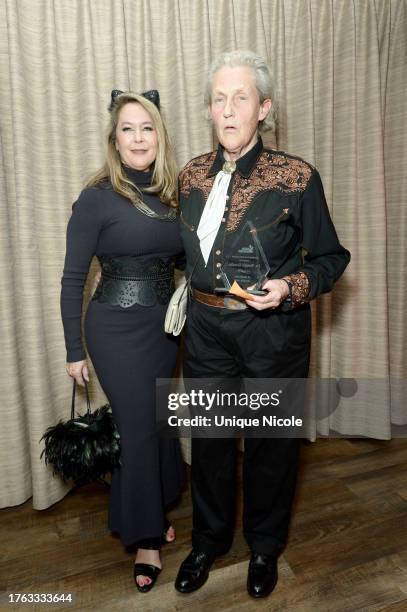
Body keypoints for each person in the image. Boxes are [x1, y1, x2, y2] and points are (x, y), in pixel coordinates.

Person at [174, 51, 350, 599]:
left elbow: (330, 258)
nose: (228, 110)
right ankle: (208, 541)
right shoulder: (191, 176)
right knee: (210, 441)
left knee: (272, 445)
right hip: (205, 331)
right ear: (210, 109)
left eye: (241, 98)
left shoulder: (297, 177)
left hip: (274, 335)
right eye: (219, 99)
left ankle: (266, 546)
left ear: (264, 108)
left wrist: (289, 288)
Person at [60, 89, 184, 593]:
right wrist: (73, 350)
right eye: (128, 129)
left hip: (164, 330)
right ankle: (146, 538)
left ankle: (152, 506)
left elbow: (177, 260)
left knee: (156, 422)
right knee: (136, 428)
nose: (138, 138)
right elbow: (72, 279)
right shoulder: (95, 198)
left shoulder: (175, 194)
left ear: (160, 136)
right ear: (114, 138)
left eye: (147, 128)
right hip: (114, 329)